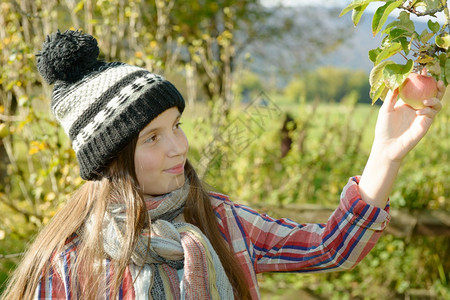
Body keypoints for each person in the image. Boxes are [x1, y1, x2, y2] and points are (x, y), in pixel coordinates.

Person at [1, 30, 444, 300]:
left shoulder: (220, 221)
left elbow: (331, 248)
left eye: (176, 125)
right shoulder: (69, 263)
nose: (178, 147)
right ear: (111, 160)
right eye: (153, 137)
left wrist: (385, 154)